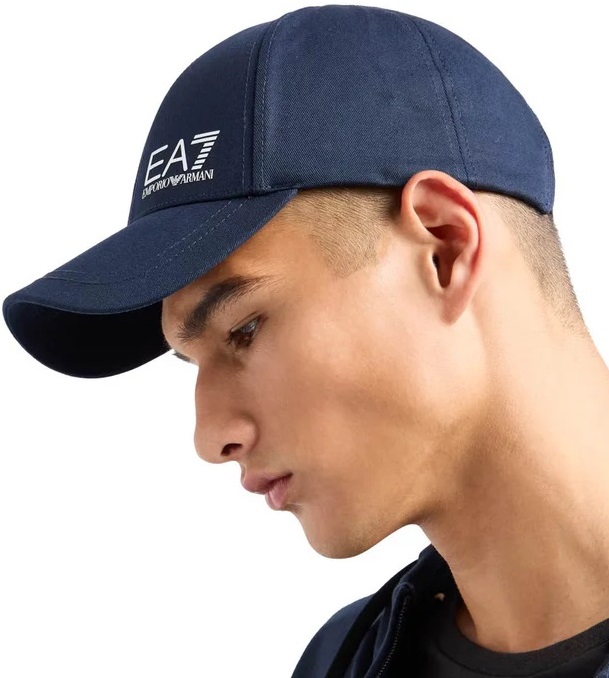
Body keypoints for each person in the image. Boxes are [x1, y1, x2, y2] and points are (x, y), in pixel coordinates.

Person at [3, 4, 609, 676]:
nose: (209, 437)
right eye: (187, 362)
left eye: (244, 329)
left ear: (444, 248)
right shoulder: (340, 659)